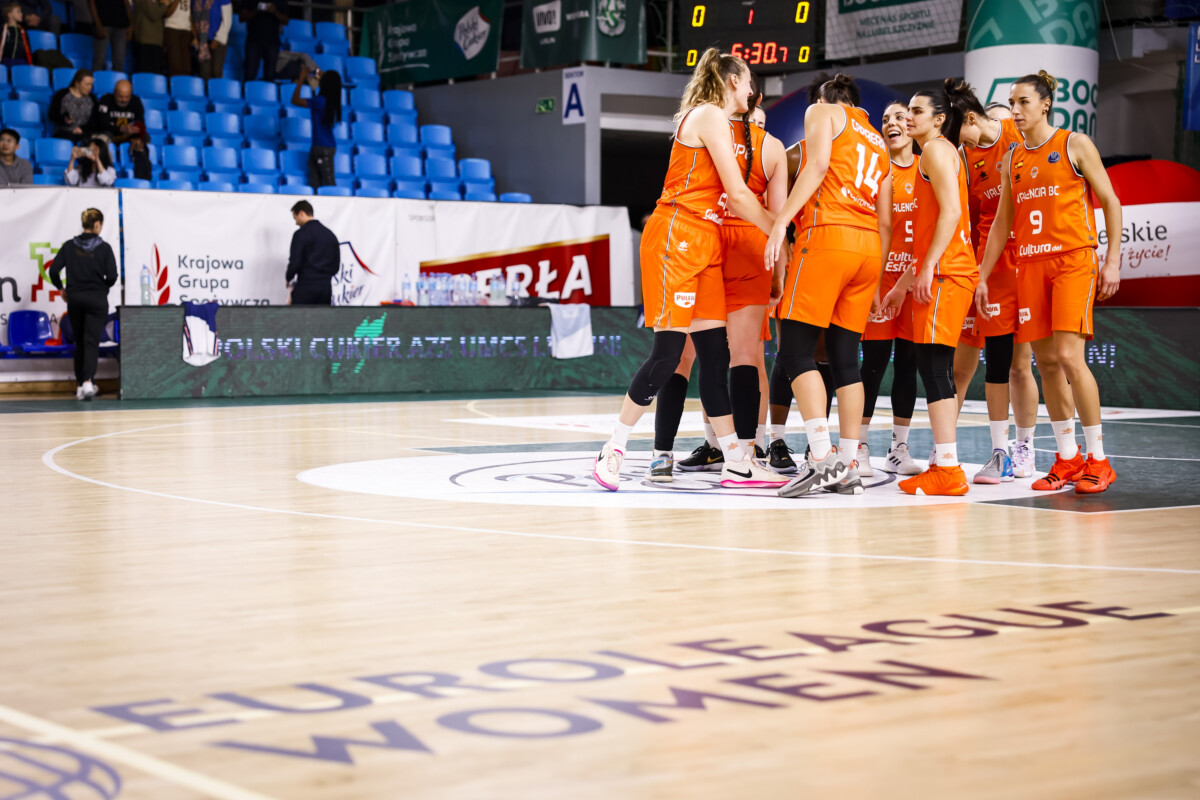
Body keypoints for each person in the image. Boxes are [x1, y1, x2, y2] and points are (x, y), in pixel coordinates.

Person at [592, 48, 785, 492]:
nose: (753, 89)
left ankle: (736, 459)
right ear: (733, 81)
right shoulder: (708, 116)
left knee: (715, 356)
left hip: (707, 238)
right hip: (677, 232)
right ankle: (614, 448)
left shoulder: (736, 129)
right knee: (668, 354)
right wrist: (778, 230)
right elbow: (738, 196)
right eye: (749, 79)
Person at [977, 71, 1122, 494]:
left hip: (1073, 261)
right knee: (1047, 364)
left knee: (1069, 357)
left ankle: (1099, 459)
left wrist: (1111, 259)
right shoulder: (1013, 159)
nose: (1016, 111)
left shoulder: (1074, 144)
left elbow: (1110, 201)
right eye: (1012, 103)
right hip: (1030, 266)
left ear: (1044, 105)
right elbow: (1003, 222)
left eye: (1023, 102)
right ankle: (1068, 458)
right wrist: (982, 276)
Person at [650, 82, 790, 482]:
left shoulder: (706, 127)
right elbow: (776, 217)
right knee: (745, 356)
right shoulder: (773, 147)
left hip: (704, 237)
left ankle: (666, 453)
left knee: (685, 357)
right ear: (755, 101)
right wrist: (778, 270)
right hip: (750, 244)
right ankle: (746, 452)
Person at [765, 73, 893, 497]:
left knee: (795, 351)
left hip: (828, 237)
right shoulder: (877, 139)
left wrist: (782, 219)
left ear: (824, 98)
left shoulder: (822, 110)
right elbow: (886, 217)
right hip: (869, 249)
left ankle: (820, 457)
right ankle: (849, 463)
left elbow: (818, 165)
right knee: (844, 362)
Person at [879, 81, 981, 496]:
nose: (907, 118)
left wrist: (926, 270)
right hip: (941, 271)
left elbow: (952, 214)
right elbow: (926, 231)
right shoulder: (935, 153)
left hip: (947, 273)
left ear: (939, 119)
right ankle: (945, 463)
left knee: (935, 368)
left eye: (916, 112)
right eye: (907, 112)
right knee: (933, 367)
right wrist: (903, 283)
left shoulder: (937, 150)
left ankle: (949, 468)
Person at [956, 85, 1044, 482]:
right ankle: (999, 452)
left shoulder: (1016, 135)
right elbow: (974, 222)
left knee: (1021, 366)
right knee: (996, 361)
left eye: (959, 129)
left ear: (971, 119)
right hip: (991, 268)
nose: (957, 140)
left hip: (1026, 259)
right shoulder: (964, 156)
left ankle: (1026, 448)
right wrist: (978, 271)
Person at [858, 101, 922, 478]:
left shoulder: (928, 167)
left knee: (909, 367)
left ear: (913, 125)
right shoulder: (875, 171)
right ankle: (860, 446)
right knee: (873, 366)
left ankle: (899, 448)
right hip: (880, 284)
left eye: (899, 117)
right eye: (885, 119)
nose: (891, 123)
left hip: (913, 285)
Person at [48, 207, 119, 401]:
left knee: (80, 342)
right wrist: (102, 287)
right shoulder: (104, 248)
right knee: (91, 342)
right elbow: (112, 276)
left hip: (76, 299)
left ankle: (81, 384)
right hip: (96, 300)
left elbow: (54, 270)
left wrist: (62, 288)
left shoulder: (70, 246)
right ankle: (88, 382)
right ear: (97, 225)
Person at [291, 64, 340, 188]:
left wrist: (301, 79)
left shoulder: (320, 101)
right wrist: (320, 78)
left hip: (322, 147)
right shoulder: (329, 100)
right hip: (321, 146)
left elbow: (295, 100)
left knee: (326, 184)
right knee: (317, 184)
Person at [287, 200, 340, 305]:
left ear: (301, 213)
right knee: (321, 320)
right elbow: (336, 265)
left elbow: (295, 262)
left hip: (305, 287)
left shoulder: (300, 234)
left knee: (300, 320)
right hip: (325, 288)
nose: (296, 222)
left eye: (295, 218)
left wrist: (289, 277)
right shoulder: (330, 235)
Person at [239, 0, 285, 81]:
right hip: (253, 41)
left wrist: (274, 12)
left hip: (272, 43)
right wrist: (256, 10)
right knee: (250, 74)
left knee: (270, 76)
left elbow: (286, 20)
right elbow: (241, 18)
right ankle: (248, 92)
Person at [132, 0, 180, 75]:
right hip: (145, 40)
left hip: (157, 40)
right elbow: (153, 14)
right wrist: (165, 5)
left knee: (156, 74)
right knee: (144, 74)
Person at [49, 70, 96, 141]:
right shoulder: (61, 94)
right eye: (87, 84)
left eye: (91, 85)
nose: (90, 88)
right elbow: (52, 114)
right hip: (64, 132)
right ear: (77, 83)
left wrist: (82, 129)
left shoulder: (92, 98)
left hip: (84, 134)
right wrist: (64, 119)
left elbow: (95, 120)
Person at [88, 0, 131, 72]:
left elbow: (126, 3)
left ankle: (118, 82)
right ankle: (94, 82)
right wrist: (98, 25)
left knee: (119, 61)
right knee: (99, 60)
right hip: (103, 25)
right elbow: (91, 3)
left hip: (121, 25)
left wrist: (131, 24)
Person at [197, 0, 230, 80]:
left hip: (218, 41)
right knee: (204, 72)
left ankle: (217, 91)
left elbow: (227, 20)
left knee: (216, 71)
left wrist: (217, 39)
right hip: (202, 40)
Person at [161, 0, 190, 77]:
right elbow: (166, 13)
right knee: (175, 64)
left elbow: (189, 14)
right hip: (172, 28)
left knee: (187, 65)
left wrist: (194, 34)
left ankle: (185, 87)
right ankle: (175, 86)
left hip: (186, 30)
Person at [1, 2, 32, 67]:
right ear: (9, 15)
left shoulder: (23, 31)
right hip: (6, 61)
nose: (21, 14)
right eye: (18, 12)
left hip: (22, 61)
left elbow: (28, 48)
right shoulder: (3, 29)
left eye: (21, 11)